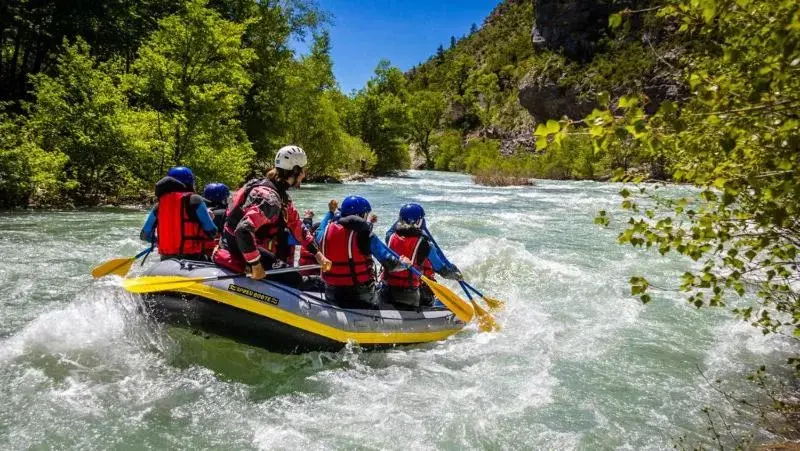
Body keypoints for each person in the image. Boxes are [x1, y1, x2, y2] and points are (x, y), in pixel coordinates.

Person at [213, 145, 332, 287]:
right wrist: (255, 265)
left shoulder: (275, 192)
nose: (304, 175)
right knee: (294, 278)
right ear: (294, 170)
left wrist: (318, 254)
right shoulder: (270, 200)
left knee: (287, 270)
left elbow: (297, 226)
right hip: (239, 248)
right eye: (303, 171)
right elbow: (243, 230)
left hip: (233, 243)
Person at [315, 196, 411, 308]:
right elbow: (390, 263)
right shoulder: (365, 235)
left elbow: (318, 231)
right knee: (384, 296)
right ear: (361, 215)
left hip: (331, 292)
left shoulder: (325, 232)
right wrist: (404, 263)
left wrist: (330, 212)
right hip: (360, 295)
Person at [382, 203, 463, 309]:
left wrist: (404, 218)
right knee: (430, 293)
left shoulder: (390, 237)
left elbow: (394, 228)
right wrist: (456, 275)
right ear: (418, 221)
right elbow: (441, 269)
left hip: (387, 290)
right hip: (410, 295)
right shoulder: (425, 244)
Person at [140, 166, 218, 261]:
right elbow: (212, 232)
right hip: (195, 259)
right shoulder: (195, 200)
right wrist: (211, 217)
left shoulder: (159, 206)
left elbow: (144, 235)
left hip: (166, 259)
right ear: (190, 183)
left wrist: (159, 241)